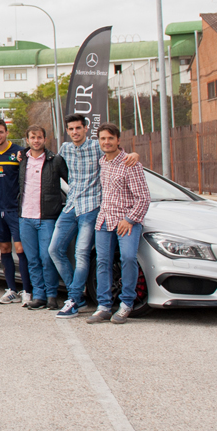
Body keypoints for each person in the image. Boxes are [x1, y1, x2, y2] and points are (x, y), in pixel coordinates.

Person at [50, 113, 140, 319]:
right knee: (54, 250)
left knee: (82, 253)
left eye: (78, 128)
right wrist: (23, 155)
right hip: (71, 205)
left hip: (91, 207)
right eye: (71, 129)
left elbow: (118, 154)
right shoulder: (65, 149)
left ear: (86, 129)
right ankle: (80, 297)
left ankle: (73, 299)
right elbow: (49, 161)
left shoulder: (98, 146)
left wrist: (135, 154)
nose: (75, 132)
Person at [87, 123, 150, 325]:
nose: (106, 142)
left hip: (126, 221)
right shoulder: (101, 162)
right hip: (104, 220)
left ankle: (126, 305)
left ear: (118, 140)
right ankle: (104, 306)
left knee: (129, 258)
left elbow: (143, 198)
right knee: (103, 262)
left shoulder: (130, 164)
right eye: (103, 139)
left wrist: (130, 219)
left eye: (110, 138)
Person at [16, 124, 67, 310]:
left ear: (44, 139)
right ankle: (39, 295)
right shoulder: (22, 160)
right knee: (33, 259)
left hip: (47, 218)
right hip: (25, 218)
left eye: (39, 137)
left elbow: (71, 182)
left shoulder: (55, 160)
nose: (36, 140)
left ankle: (52, 295)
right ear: (27, 140)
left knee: (47, 258)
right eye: (32, 137)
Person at [0, 118, 30, 305]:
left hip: (15, 211)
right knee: (4, 249)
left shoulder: (19, 152)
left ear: (6, 132)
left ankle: (27, 290)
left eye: (0, 132)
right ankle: (11, 290)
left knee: (20, 248)